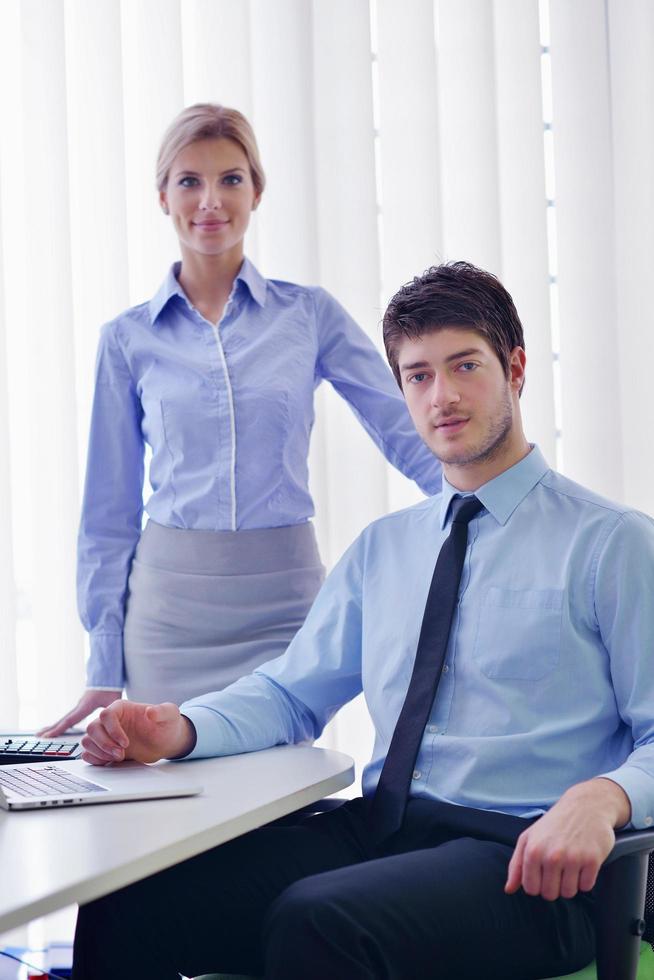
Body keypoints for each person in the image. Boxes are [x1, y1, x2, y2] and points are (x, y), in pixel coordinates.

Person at [72, 261, 654, 980]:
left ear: (516, 369)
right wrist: (180, 728)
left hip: (530, 862)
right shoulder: (385, 549)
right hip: (385, 832)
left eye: (464, 366)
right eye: (417, 375)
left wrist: (604, 796)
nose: (441, 395)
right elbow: (290, 693)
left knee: (320, 921)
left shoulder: (612, 543)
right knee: (127, 900)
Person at [39, 103, 441, 738]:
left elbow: (405, 429)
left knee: (279, 798)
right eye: (189, 180)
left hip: (285, 608)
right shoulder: (126, 339)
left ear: (257, 190)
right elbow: (107, 512)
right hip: (168, 618)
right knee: (176, 805)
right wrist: (103, 663)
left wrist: (478, 510)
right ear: (162, 195)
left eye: (230, 179)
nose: (210, 201)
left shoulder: (309, 315)